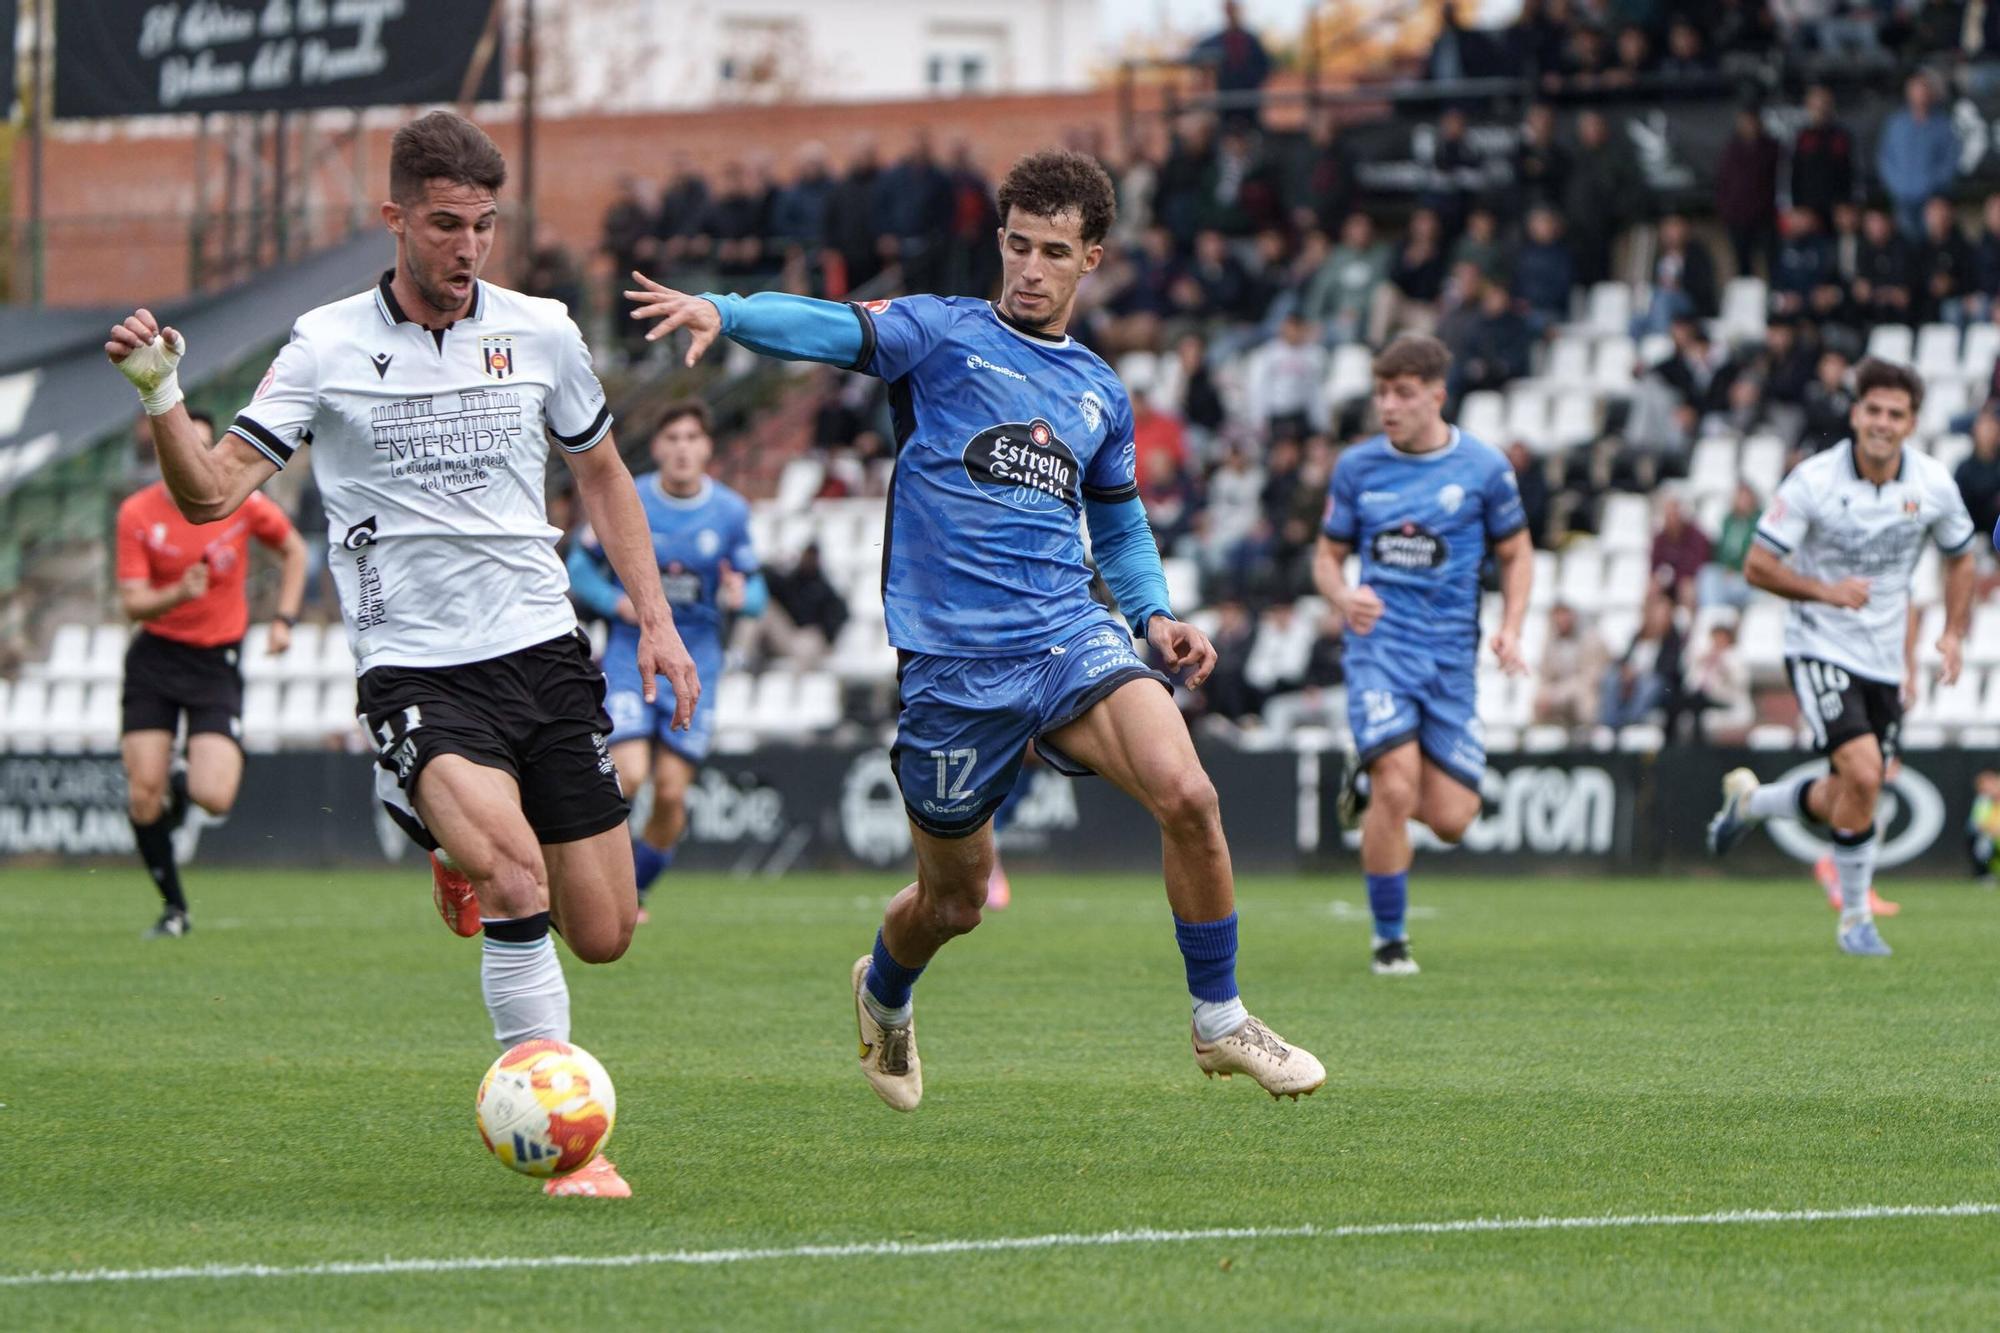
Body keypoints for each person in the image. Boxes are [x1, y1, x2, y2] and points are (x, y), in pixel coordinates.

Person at [626, 147, 1325, 1108]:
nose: (1031, 269)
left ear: (1093, 259)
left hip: (1067, 637)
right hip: (954, 667)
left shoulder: (1099, 393)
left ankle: (1219, 1019)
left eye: (1054, 252)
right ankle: (884, 992)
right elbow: (832, 329)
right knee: (953, 903)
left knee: (1190, 796)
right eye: (1019, 246)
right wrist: (728, 312)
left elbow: (1116, 523)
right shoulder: (939, 334)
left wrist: (1155, 613)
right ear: (1000, 242)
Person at [106, 110, 699, 1197]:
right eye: (443, 225)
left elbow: (605, 475)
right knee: (515, 873)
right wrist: (161, 395)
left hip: (544, 649)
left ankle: (443, 841)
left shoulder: (542, 330)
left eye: (482, 225)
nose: (466, 248)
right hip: (417, 667)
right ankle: (570, 1149)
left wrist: (654, 622)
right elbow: (207, 495)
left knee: (605, 932)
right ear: (394, 218)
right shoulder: (326, 344)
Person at [1708, 359, 1975, 957]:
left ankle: (1753, 803)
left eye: (1895, 414)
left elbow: (1961, 558)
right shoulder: (1812, 482)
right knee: (1862, 773)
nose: (1882, 423)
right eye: (1873, 410)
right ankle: (1856, 921)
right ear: (1855, 414)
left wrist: (1954, 634)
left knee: (1852, 793)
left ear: (1911, 424)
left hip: (1885, 656)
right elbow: (1757, 565)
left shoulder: (1932, 484)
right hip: (1819, 643)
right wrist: (1825, 591)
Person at [1311, 334, 1535, 976]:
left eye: (1403, 394)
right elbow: (1327, 556)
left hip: (1450, 662)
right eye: (1382, 392)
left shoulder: (1485, 469)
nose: (1389, 405)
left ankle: (1367, 777)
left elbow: (1517, 553)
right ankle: (1390, 941)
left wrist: (1512, 627)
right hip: (1379, 650)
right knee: (1398, 783)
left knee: (1454, 819)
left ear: (1437, 395)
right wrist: (1342, 593)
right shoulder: (1357, 468)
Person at [566, 401, 763, 926]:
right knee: (628, 775)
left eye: (691, 437)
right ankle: (592, 882)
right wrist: (615, 604)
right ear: (657, 447)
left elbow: (757, 592)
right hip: (632, 656)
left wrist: (741, 595)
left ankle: (631, 891)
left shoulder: (730, 512)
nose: (682, 447)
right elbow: (577, 569)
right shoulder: (628, 498)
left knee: (672, 793)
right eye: (671, 437)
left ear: (707, 448)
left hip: (696, 663)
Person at [114, 409, 307, 938]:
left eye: (202, 446)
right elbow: (133, 605)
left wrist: (285, 620)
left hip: (215, 662)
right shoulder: (136, 513)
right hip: (155, 658)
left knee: (214, 796)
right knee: (142, 793)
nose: (190, 456)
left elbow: (294, 549)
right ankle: (174, 908)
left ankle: (181, 778)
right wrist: (179, 593)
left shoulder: (240, 503)